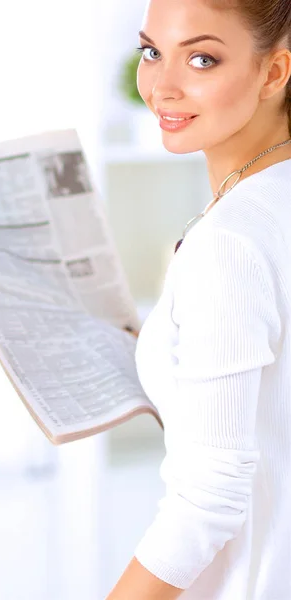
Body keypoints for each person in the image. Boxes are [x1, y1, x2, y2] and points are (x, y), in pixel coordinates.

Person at [108, 0, 291, 598]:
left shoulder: (232, 240)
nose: (161, 86)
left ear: (275, 72)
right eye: (152, 52)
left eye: (202, 59)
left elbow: (207, 503)